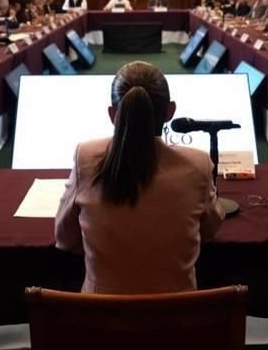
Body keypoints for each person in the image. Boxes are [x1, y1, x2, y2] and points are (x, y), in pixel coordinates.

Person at [55, 61, 224, 293]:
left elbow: (65, 238)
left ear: (113, 115)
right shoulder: (199, 164)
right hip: (180, 321)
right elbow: (209, 231)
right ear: (170, 111)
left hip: (99, 320)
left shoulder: (84, 156)